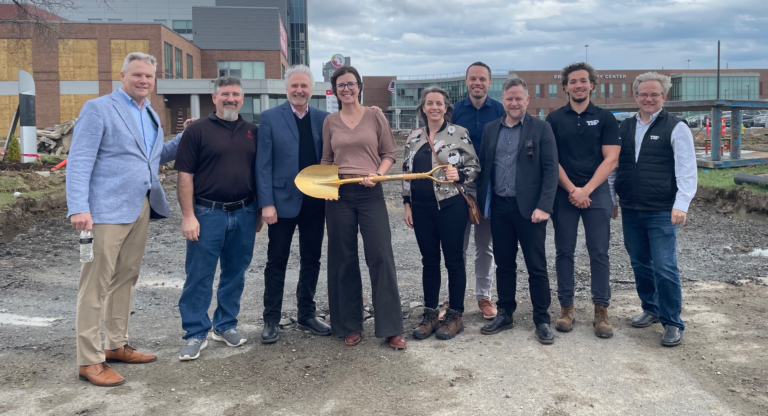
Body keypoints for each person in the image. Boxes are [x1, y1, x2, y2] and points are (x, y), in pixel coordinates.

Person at [67, 52, 183, 386]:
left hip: (140, 206)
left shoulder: (149, 113)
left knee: (126, 278)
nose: (144, 81)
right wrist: (78, 206)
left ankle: (115, 344)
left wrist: (184, 138)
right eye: (137, 75)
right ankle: (89, 361)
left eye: (149, 76)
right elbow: (80, 159)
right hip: (104, 210)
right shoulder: (99, 108)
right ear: (122, 76)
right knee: (95, 284)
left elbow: (154, 158)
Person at [174, 76, 263, 361]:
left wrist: (259, 211)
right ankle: (195, 333)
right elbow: (184, 175)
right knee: (199, 275)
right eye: (225, 94)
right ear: (214, 98)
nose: (231, 99)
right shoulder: (196, 131)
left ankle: (225, 325)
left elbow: (261, 174)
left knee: (235, 274)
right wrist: (188, 216)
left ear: (242, 98)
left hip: (245, 211)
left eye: (236, 94)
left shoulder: (253, 132)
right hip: (206, 213)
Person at [321, 65, 406, 350]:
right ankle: (350, 324)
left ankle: (391, 328)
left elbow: (389, 152)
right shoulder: (330, 121)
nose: (346, 88)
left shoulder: (375, 115)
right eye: (341, 85)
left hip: (371, 194)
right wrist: (328, 188)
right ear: (335, 90)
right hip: (339, 194)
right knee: (343, 259)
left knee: (381, 256)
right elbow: (326, 160)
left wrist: (379, 174)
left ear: (359, 86)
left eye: (351, 83)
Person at [610, 72, 697, 347]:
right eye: (643, 94)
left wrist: (681, 205)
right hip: (631, 209)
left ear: (664, 97)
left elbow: (687, 170)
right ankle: (651, 307)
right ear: (635, 96)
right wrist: (612, 199)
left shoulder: (676, 127)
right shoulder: (624, 128)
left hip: (662, 210)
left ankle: (672, 321)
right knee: (639, 262)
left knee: (665, 266)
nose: (649, 98)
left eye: (654, 94)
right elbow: (615, 167)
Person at [477, 77, 559, 345]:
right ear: (504, 100)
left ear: (527, 100)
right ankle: (506, 312)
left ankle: (542, 319)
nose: (514, 103)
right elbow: (484, 168)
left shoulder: (541, 129)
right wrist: (481, 203)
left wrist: (544, 206)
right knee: (504, 264)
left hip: (531, 211)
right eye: (509, 98)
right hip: (500, 207)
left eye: (518, 98)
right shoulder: (491, 129)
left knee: (536, 266)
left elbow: (550, 170)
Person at [256, 65, 331, 344]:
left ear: (312, 89)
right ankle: (271, 318)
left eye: (304, 86)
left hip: (315, 201)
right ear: (286, 89)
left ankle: (306, 313)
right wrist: (267, 204)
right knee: (277, 261)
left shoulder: (325, 119)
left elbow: (332, 159)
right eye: (294, 86)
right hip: (281, 203)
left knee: (312, 259)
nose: (299, 90)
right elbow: (262, 165)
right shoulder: (270, 118)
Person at [545, 62, 620, 338]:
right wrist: (573, 190)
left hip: (596, 192)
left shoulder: (605, 118)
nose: (578, 85)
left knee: (598, 252)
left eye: (583, 81)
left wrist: (586, 189)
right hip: (564, 193)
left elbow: (611, 158)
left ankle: (601, 311)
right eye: (573, 81)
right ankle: (567, 309)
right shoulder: (553, 119)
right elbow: (552, 159)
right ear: (565, 86)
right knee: (564, 251)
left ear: (592, 85)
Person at [402, 86, 480, 341]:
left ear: (446, 108)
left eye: (439, 103)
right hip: (422, 208)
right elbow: (406, 172)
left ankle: (455, 314)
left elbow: (474, 166)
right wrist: (407, 204)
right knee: (429, 261)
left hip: (451, 205)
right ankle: (430, 313)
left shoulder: (459, 134)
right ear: (423, 108)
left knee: (454, 260)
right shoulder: (413, 137)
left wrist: (461, 175)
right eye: (429, 103)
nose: (434, 107)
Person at [450, 62, 505, 320]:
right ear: (466, 81)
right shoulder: (455, 111)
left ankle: (484, 295)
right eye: (473, 78)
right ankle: (455, 296)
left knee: (485, 245)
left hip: (489, 186)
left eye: (482, 79)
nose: (477, 83)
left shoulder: (501, 110)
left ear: (489, 82)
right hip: (459, 184)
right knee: (457, 245)